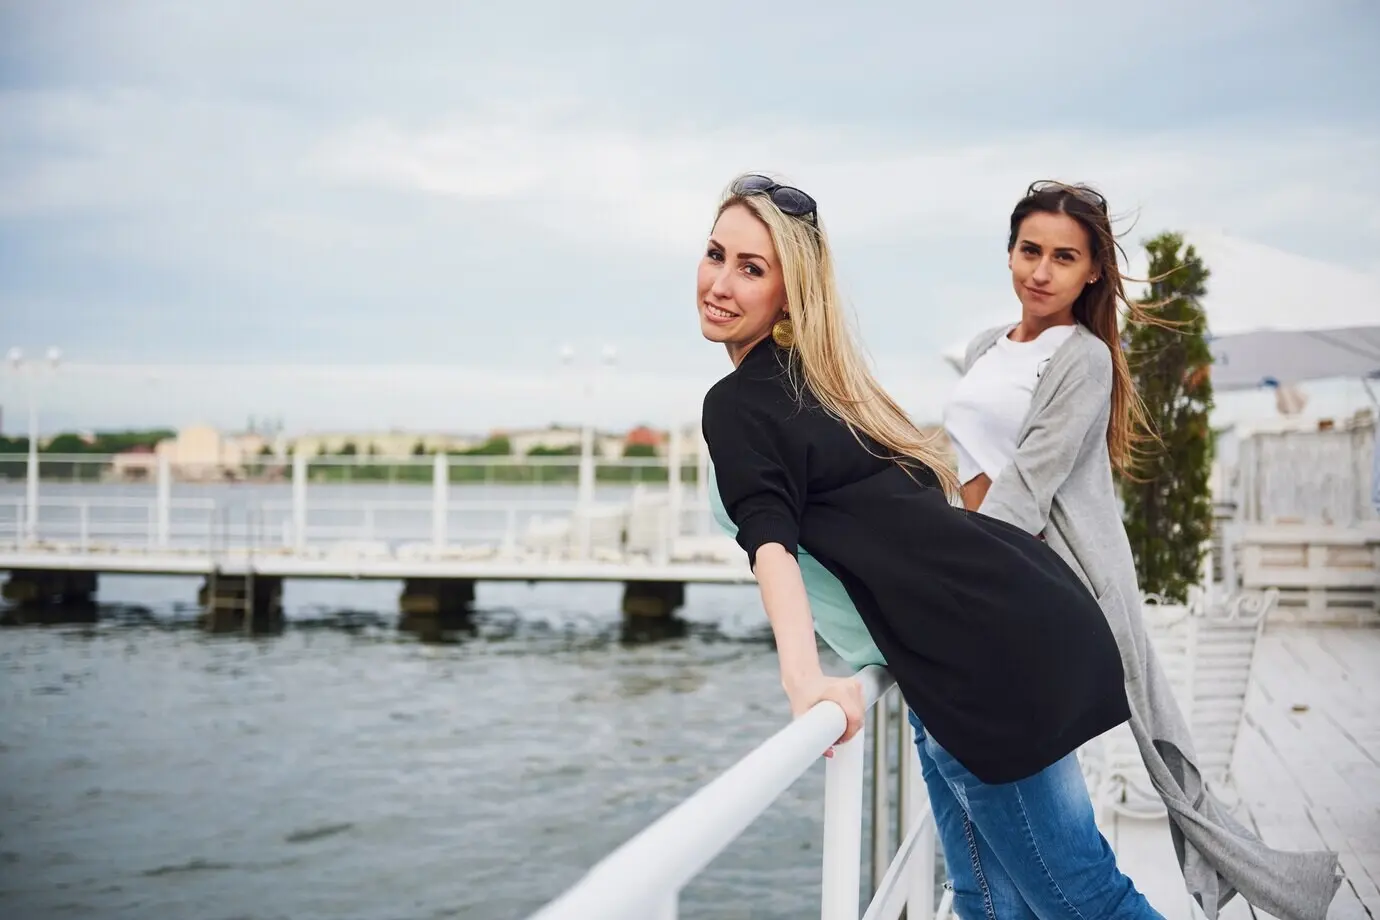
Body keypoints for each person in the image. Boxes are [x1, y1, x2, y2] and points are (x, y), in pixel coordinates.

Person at [699, 173, 1163, 919]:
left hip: (982, 659)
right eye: (716, 254)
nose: (721, 283)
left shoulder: (745, 403)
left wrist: (803, 681)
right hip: (963, 651)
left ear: (790, 293)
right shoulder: (826, 390)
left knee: (1084, 900)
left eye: (751, 268)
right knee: (983, 899)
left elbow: (771, 544)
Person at [943, 180, 1340, 920]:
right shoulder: (982, 348)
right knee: (988, 859)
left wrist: (952, 587)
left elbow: (1027, 484)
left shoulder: (1085, 359)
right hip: (991, 577)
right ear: (1009, 252)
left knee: (1067, 868)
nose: (1041, 271)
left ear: (1093, 270)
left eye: (1064, 257)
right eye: (1029, 250)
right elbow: (966, 464)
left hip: (1035, 586)